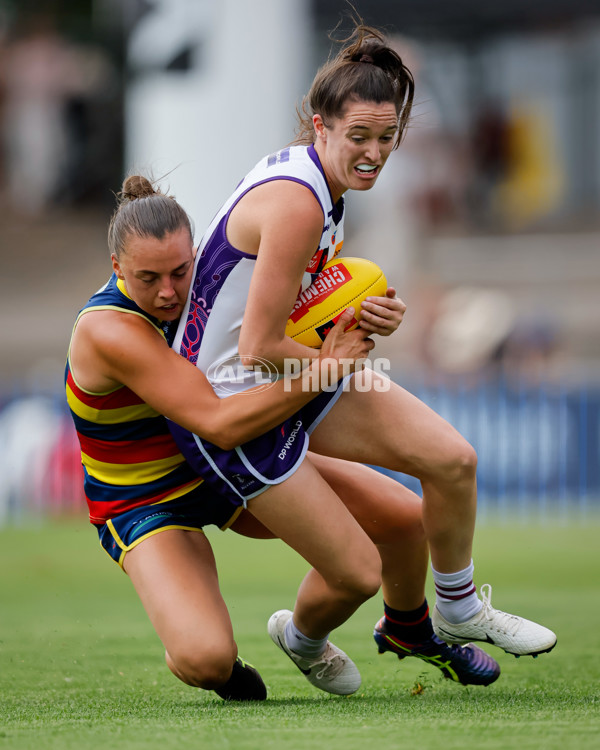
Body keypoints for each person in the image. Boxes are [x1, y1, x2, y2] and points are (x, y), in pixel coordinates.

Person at [170, 19, 556, 693]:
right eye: (360, 137)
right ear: (319, 125)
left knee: (452, 461)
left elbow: (294, 308)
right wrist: (341, 359)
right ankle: (304, 638)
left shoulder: (323, 183)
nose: (375, 152)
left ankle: (458, 609)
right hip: (236, 406)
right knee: (356, 571)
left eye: (387, 138)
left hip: (289, 374)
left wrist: (363, 316)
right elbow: (258, 348)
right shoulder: (296, 203)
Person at [67, 175, 500, 708]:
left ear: (197, 255)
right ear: (116, 268)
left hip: (226, 465)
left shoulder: (213, 287)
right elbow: (218, 421)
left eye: (180, 272)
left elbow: (301, 311)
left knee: (407, 522)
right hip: (149, 500)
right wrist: (327, 367)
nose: (167, 292)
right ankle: (223, 667)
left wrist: (369, 311)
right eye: (147, 277)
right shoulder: (109, 331)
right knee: (205, 659)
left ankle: (406, 628)